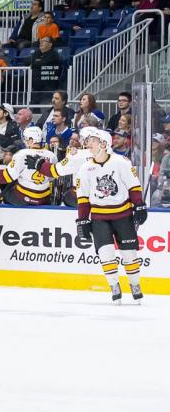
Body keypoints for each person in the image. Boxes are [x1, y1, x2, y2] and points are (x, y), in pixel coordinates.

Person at [75, 128, 146, 303]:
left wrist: (139, 205)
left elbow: (133, 185)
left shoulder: (121, 162)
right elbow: (83, 196)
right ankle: (114, 285)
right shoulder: (85, 167)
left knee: (129, 254)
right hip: (99, 217)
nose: (88, 144)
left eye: (92, 140)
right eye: (88, 141)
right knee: (105, 254)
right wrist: (83, 219)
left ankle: (134, 284)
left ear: (104, 144)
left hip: (123, 215)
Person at [0, 126, 57, 206]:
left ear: (31, 140)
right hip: (44, 199)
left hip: (24, 198)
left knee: (7, 191)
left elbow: (7, 176)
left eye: (26, 139)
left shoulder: (22, 154)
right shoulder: (51, 155)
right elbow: (52, 178)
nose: (24, 141)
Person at [27, 37, 61, 104]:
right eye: (41, 41)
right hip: (35, 82)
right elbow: (26, 61)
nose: (41, 42)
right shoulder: (37, 53)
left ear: (50, 44)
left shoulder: (54, 54)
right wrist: (37, 63)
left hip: (47, 82)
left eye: (44, 41)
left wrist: (35, 63)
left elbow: (44, 63)